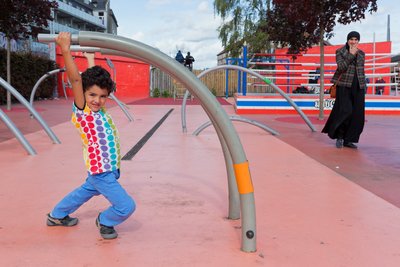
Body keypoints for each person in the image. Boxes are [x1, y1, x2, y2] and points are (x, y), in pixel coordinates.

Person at [46, 32, 136, 239]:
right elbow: (77, 80)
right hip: (102, 173)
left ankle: (57, 214)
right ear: (83, 95)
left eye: (103, 96)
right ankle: (105, 220)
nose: (97, 100)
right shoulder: (83, 111)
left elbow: (88, 80)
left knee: (83, 193)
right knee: (126, 206)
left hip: (106, 170)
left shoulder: (99, 110)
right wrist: (66, 49)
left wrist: (89, 60)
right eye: (92, 95)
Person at [322, 31, 366, 149]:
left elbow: (361, 71)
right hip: (344, 86)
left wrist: (363, 86)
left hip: (358, 87)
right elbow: (341, 67)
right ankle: (339, 136)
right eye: (351, 39)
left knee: (357, 115)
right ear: (347, 40)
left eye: (356, 39)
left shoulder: (362, 54)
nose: (353, 41)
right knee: (345, 111)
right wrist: (351, 54)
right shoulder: (340, 51)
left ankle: (348, 139)